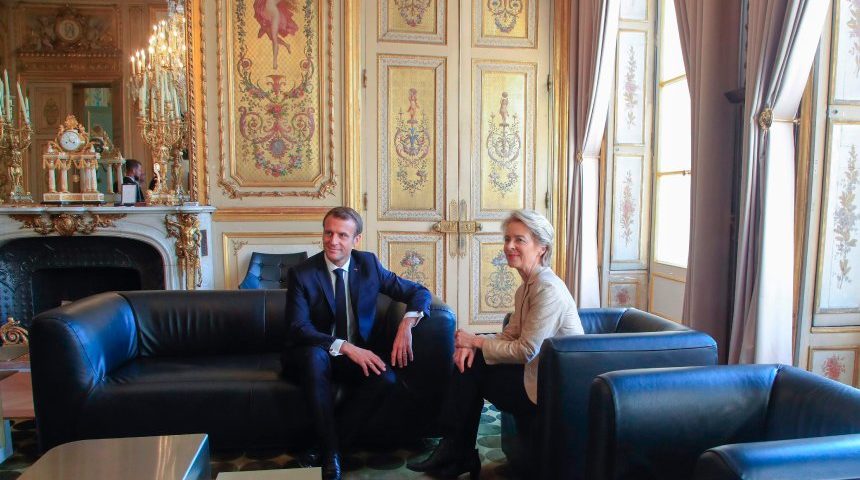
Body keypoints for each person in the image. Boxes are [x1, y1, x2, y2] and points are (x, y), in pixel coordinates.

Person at [407, 209, 584, 479]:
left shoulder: (548, 289)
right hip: (535, 376)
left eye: (519, 240)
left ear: (542, 248)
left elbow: (526, 350)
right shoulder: (526, 287)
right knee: (469, 362)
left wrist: (475, 341)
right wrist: (470, 345)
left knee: (471, 368)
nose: (509, 246)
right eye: (507, 239)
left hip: (553, 388)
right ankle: (456, 449)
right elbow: (509, 335)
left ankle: (457, 450)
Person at [283, 206, 432, 480]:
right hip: (314, 353)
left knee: (386, 378)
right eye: (328, 233)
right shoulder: (303, 273)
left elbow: (418, 291)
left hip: (354, 356)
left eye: (342, 235)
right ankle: (331, 456)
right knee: (315, 358)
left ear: (356, 239)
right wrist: (345, 346)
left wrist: (407, 324)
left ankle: (327, 446)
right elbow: (298, 327)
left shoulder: (369, 265)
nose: (333, 241)